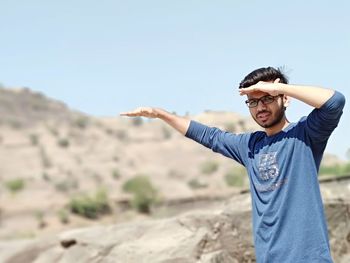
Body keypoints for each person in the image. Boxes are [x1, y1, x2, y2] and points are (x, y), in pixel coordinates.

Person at [120, 67, 345, 263]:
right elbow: (209, 136)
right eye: (253, 102)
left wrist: (282, 88)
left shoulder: (305, 134)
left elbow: (335, 101)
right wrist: (161, 114)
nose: (260, 107)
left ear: (284, 99)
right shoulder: (250, 146)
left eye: (267, 98)